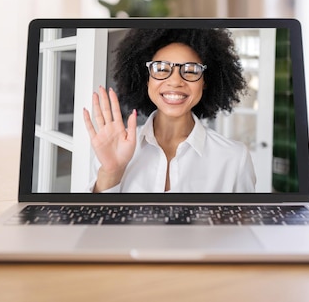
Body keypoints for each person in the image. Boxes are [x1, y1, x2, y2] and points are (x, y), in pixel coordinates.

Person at [82, 28, 256, 193]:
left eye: (191, 70)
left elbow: (244, 224)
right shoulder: (114, 146)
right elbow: (93, 223)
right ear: (146, 79)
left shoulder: (234, 158)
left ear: (204, 82)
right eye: (161, 69)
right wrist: (111, 172)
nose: (175, 81)